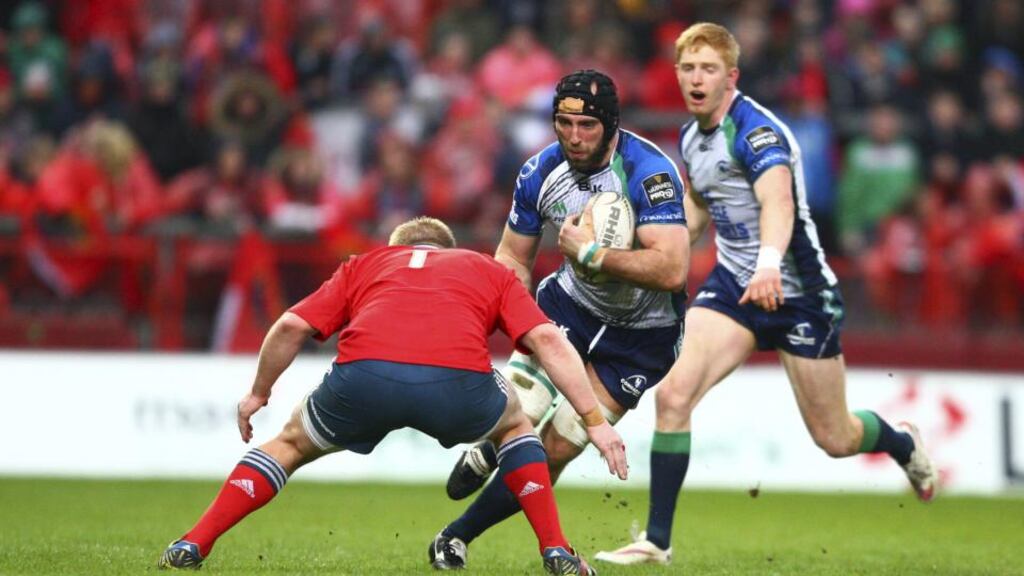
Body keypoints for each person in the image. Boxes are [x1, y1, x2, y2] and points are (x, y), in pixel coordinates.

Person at [593, 23, 939, 566]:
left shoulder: (755, 132)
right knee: (673, 395)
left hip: (797, 291)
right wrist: (652, 250)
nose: (696, 78)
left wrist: (771, 264)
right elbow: (700, 207)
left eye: (708, 68)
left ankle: (902, 443)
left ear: (731, 77)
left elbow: (776, 201)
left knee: (837, 436)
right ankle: (657, 541)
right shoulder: (690, 138)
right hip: (735, 288)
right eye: (688, 68)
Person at [156, 216, 628, 575]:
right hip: (458, 386)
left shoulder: (365, 263)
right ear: (449, 249)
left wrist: (258, 393)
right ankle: (555, 549)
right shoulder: (485, 268)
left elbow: (291, 325)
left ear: (396, 249)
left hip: (364, 380)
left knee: (289, 443)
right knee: (516, 427)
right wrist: (593, 420)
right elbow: (548, 341)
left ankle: (192, 544)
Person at [430, 69, 689, 570]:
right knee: (516, 411)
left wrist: (593, 254)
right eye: (563, 123)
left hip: (643, 336)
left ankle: (455, 535)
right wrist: (513, 322)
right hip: (569, 306)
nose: (573, 136)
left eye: (587, 125)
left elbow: (673, 268)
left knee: (558, 445)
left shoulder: (649, 173)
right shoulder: (539, 172)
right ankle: (489, 446)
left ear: (611, 124)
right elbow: (513, 258)